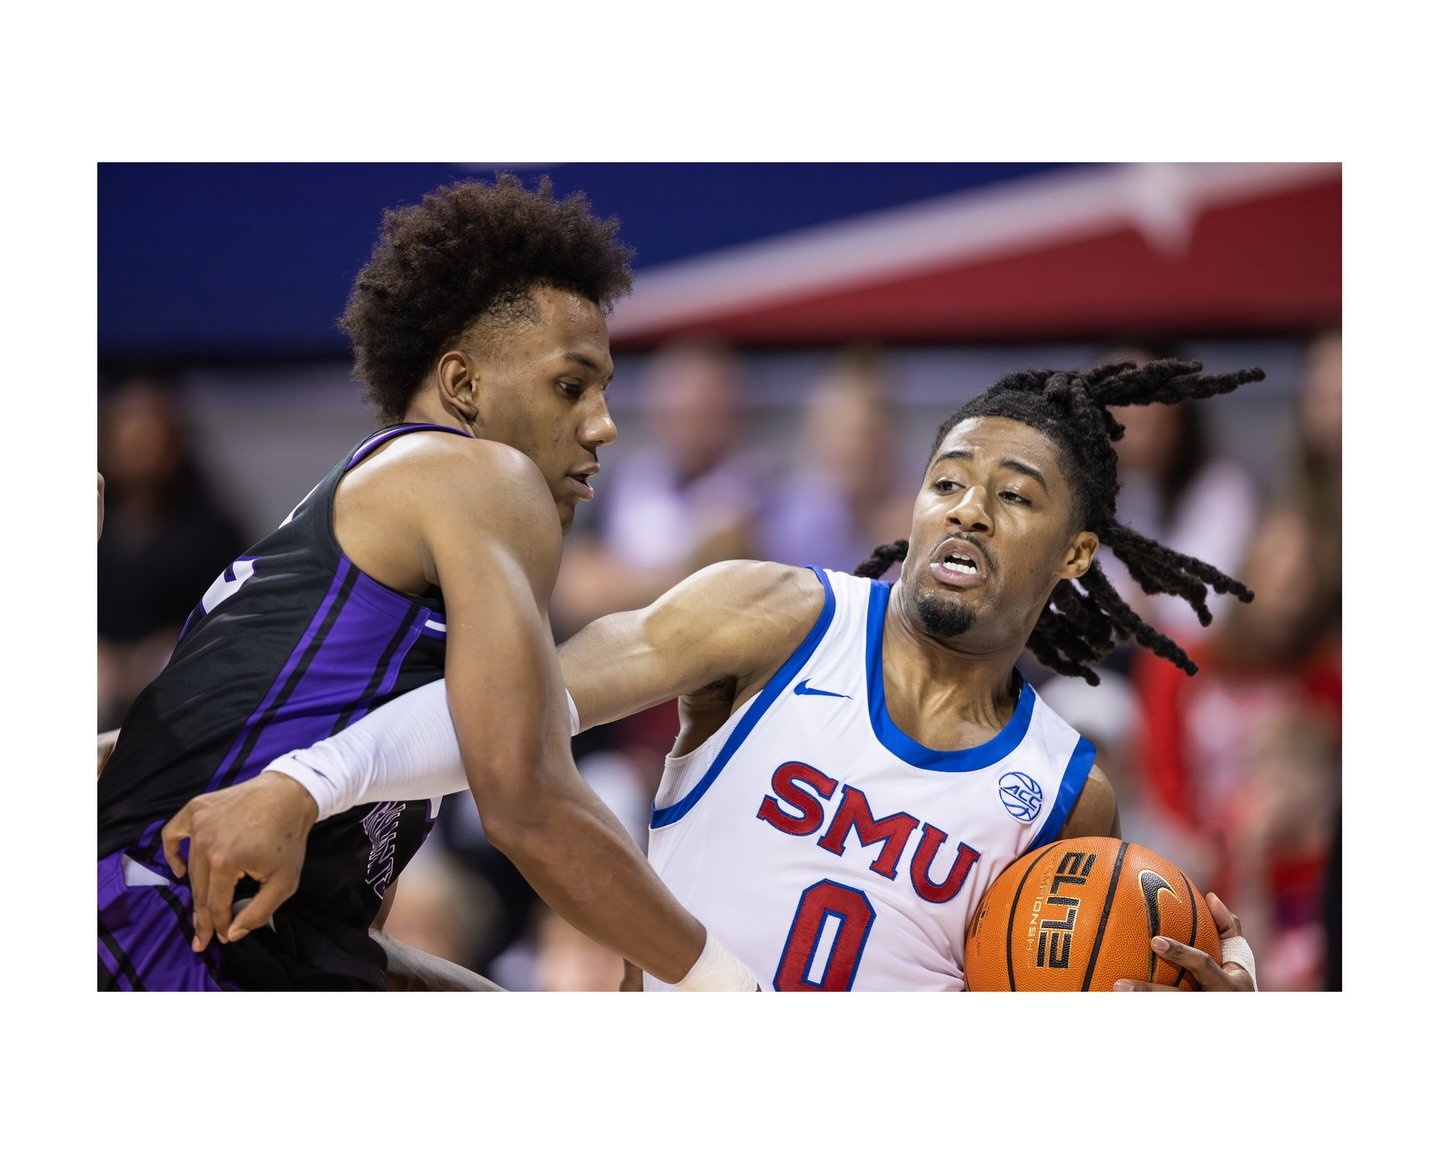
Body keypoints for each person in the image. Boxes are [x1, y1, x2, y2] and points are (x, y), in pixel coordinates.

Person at [163, 358, 1264, 992]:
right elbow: (514, 713)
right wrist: (305, 780)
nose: (968, 507)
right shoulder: (780, 613)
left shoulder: (1072, 790)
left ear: (1076, 553)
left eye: (1014, 495)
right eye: (948, 481)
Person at [96, 175, 760, 993]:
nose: (603, 424)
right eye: (570, 385)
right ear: (463, 385)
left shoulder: (374, 546)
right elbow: (527, 803)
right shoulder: (478, 476)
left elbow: (339, 946)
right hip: (151, 937)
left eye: (605, 392)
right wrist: (723, 986)